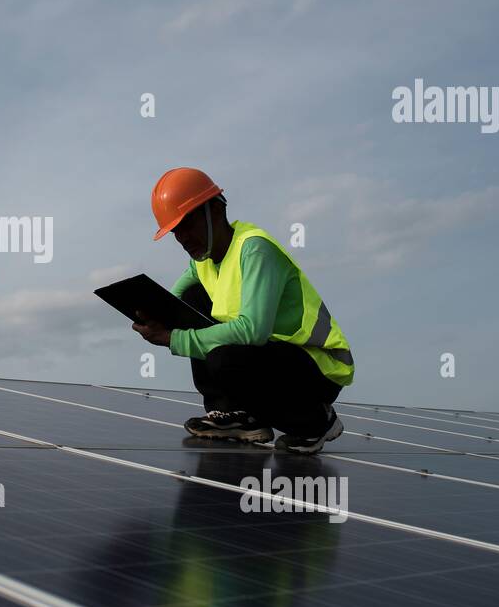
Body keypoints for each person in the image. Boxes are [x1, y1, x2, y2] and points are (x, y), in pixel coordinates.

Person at [131, 167, 354, 454]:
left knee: (224, 356)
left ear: (215, 210)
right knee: (193, 300)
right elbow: (173, 302)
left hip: (317, 368)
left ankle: (315, 421)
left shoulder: (254, 249)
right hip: (273, 359)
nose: (183, 237)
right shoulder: (203, 260)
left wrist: (174, 338)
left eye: (188, 224)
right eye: (176, 231)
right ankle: (236, 415)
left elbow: (253, 330)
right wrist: (152, 316)